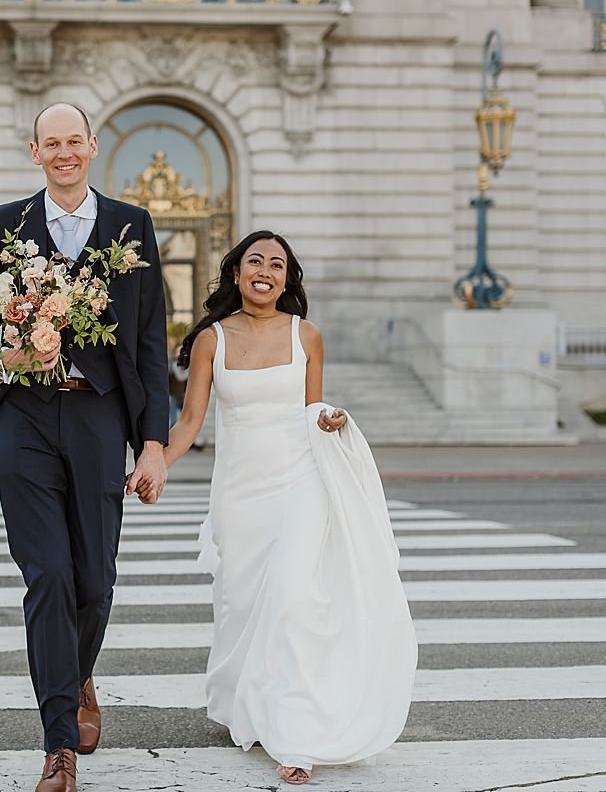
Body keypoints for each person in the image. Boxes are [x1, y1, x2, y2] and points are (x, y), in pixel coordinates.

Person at [0, 102, 171, 792]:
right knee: (47, 573)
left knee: (95, 581)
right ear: (34, 151)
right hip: (24, 414)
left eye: (73, 141)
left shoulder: (131, 226)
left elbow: (148, 341)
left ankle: (77, 672)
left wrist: (155, 442)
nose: (63, 152)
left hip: (98, 418)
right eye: (51, 143)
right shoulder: (4, 225)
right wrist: (7, 345)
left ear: (92, 146)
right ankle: (59, 746)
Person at [158, 230, 417, 784]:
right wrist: (153, 463)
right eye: (256, 260)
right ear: (236, 273)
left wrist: (330, 419)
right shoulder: (211, 340)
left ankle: (295, 734)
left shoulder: (307, 336)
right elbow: (189, 423)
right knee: (243, 605)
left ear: (287, 279)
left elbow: (312, 406)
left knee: (294, 599)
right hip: (240, 491)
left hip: (301, 479)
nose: (266, 271)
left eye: (278, 264)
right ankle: (244, 705)